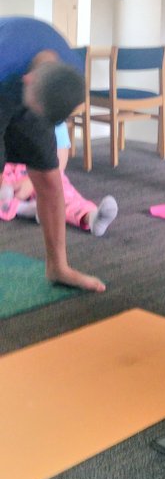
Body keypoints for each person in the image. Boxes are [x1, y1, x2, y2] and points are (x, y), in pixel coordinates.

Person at [0, 16, 105, 291]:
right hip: (3, 81)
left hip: (28, 89)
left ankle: (58, 267)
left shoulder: (70, 74)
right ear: (27, 80)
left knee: (49, 178)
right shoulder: (5, 58)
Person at [0, 122, 118, 236]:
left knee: (62, 192)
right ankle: (25, 209)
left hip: (41, 171)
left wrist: (33, 182)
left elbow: (59, 161)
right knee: (3, 192)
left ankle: (91, 217)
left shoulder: (51, 116)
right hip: (6, 173)